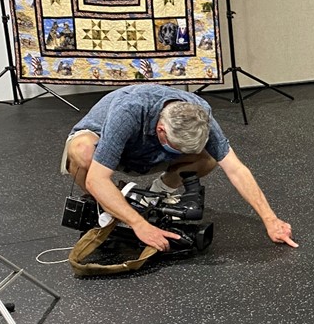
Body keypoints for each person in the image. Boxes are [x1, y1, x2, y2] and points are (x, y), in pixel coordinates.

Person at [62, 84, 297, 251]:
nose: (180, 154)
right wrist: (139, 225)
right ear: (161, 131)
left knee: (209, 158)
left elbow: (236, 169)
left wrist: (271, 219)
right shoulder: (129, 111)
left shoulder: (200, 114)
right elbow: (96, 179)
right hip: (111, 148)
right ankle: (110, 208)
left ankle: (157, 193)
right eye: (177, 148)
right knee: (82, 151)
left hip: (152, 155)